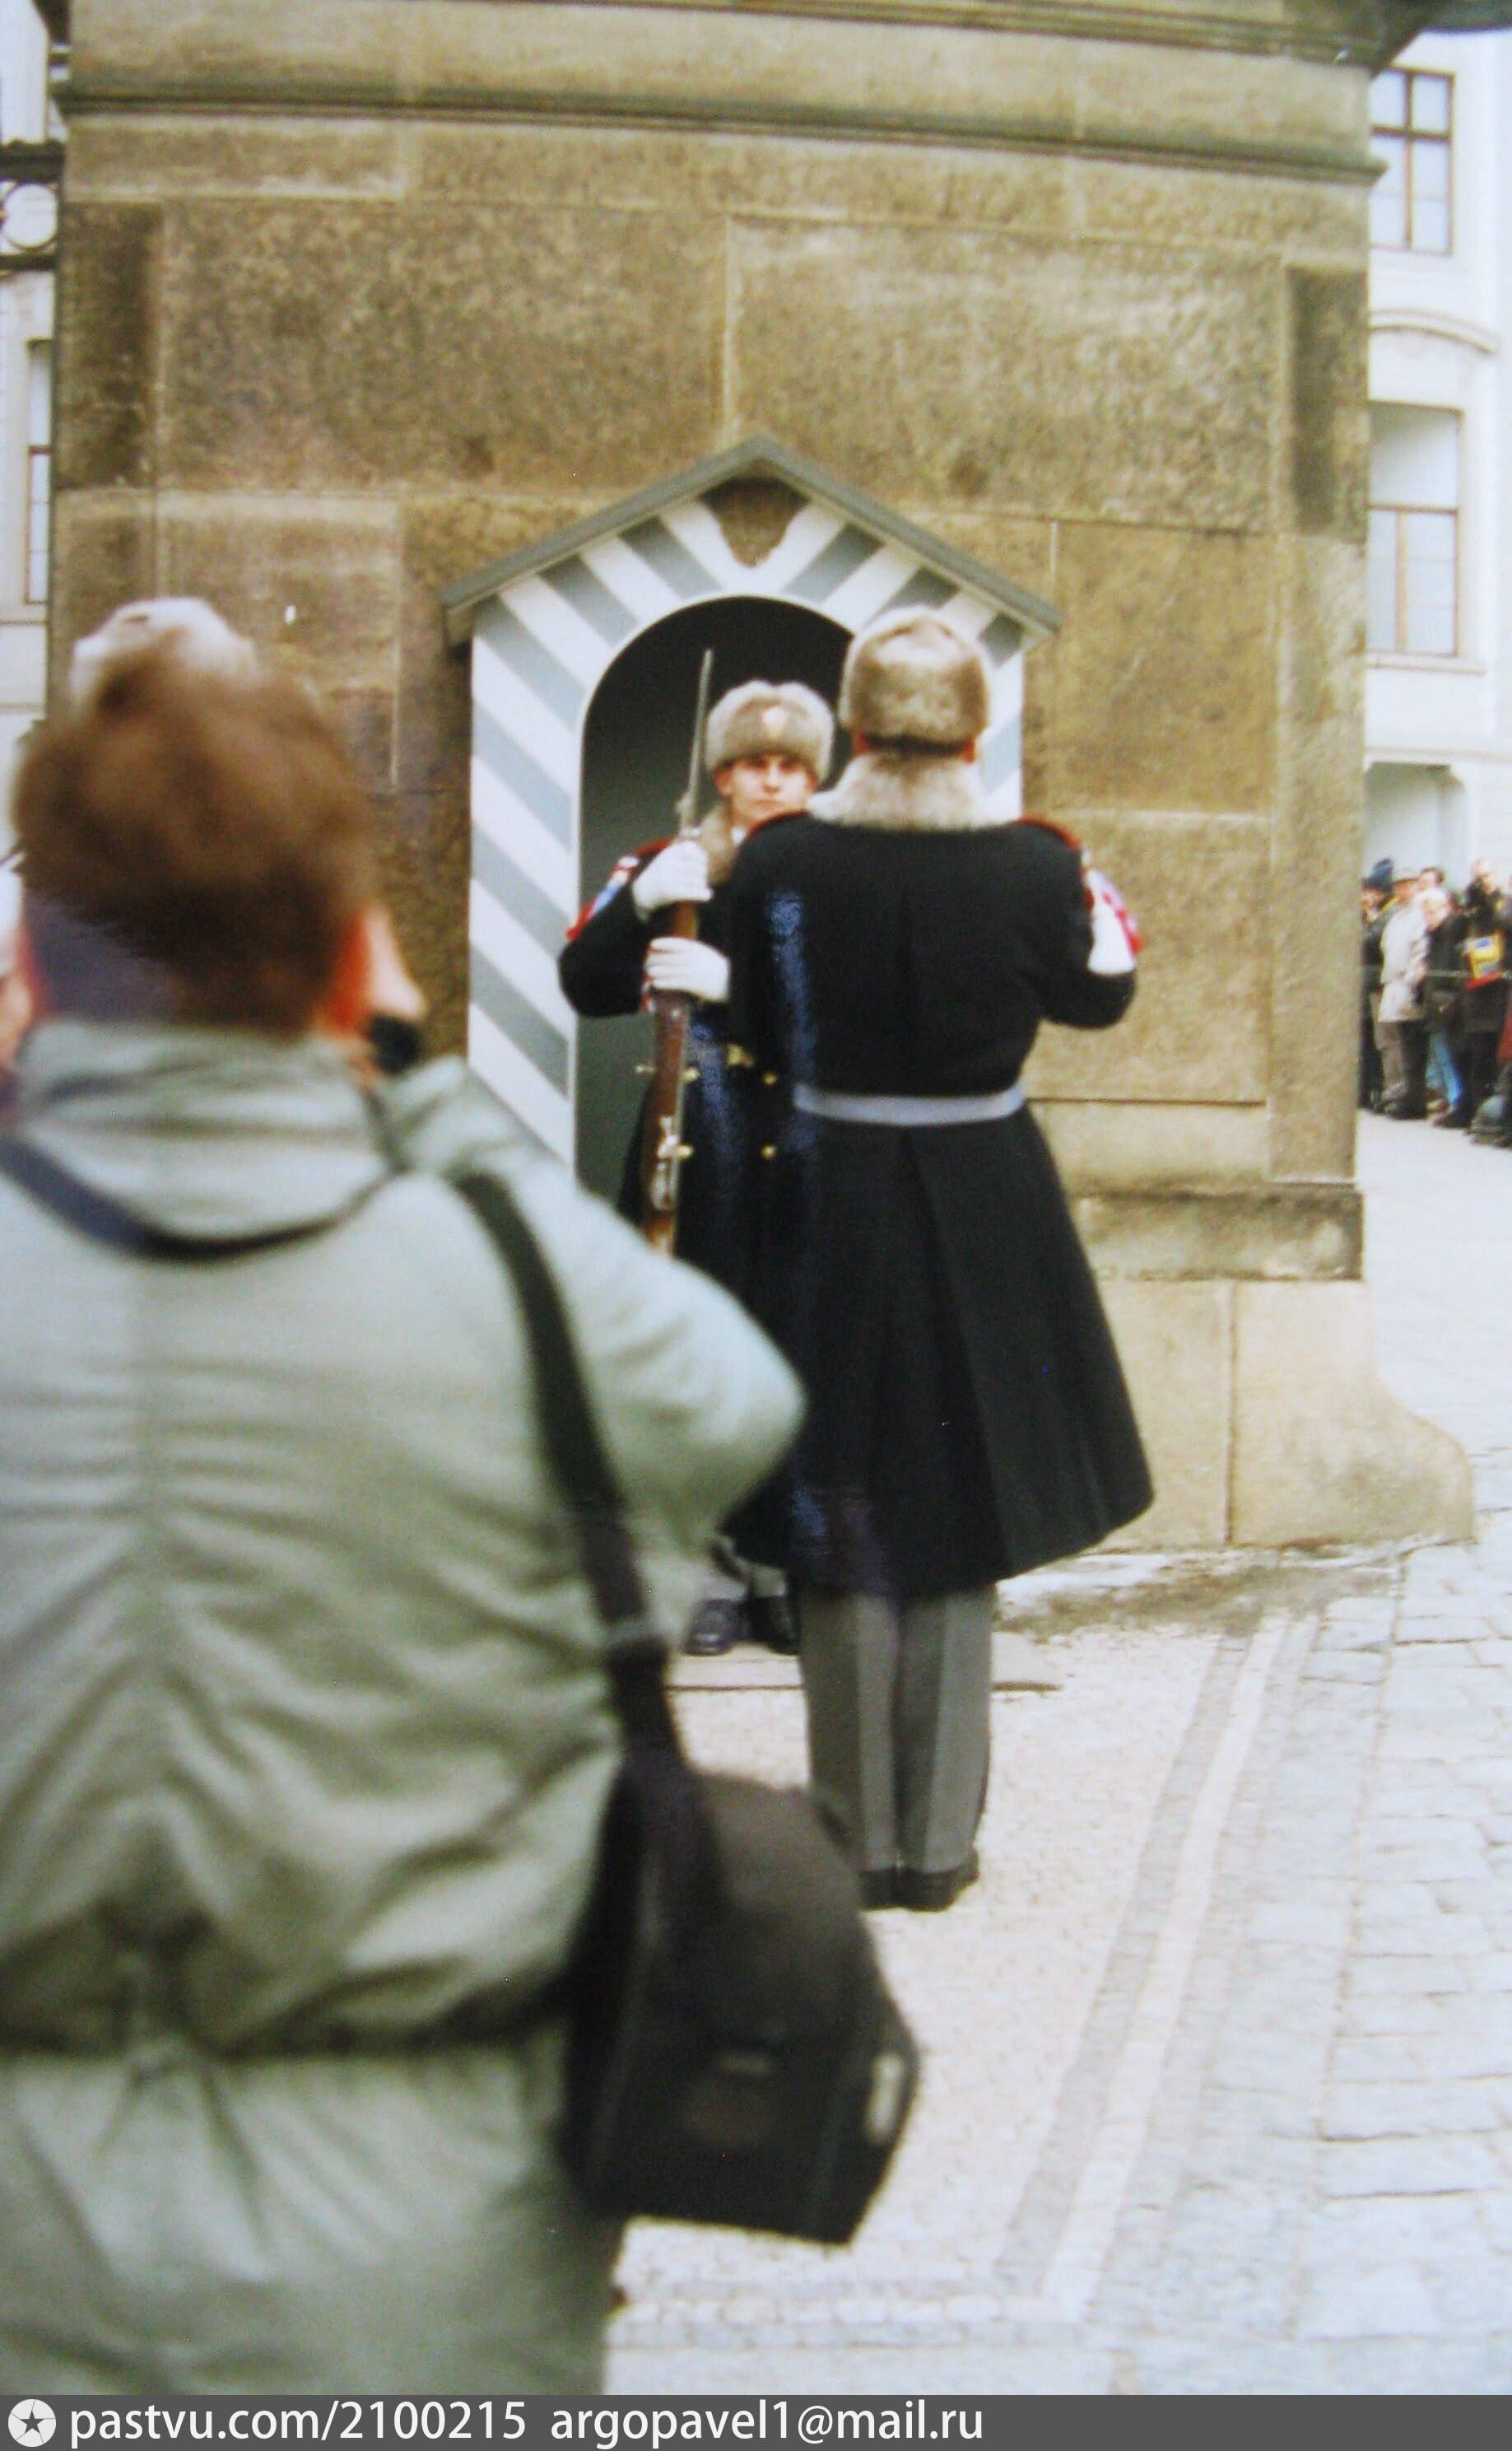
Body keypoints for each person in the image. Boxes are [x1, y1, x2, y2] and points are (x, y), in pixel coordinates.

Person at [0, 635, 801, 2392]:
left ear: (35, 958)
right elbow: (734, 1400)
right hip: (432, 2260)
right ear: (347, 951)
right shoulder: (503, 1281)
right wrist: (417, 1080)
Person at [725, 610, 1153, 1913]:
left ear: (853, 730)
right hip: (983, 1198)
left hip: (827, 1190)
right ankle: (933, 1846)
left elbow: (756, 1023)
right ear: (976, 737)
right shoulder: (1035, 865)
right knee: (959, 1507)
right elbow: (1099, 996)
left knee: (836, 1503)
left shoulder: (782, 859)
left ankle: (852, 1838)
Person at [560, 678, 833, 1654]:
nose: (772, 779)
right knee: (697, 1353)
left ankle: (779, 1567)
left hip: (801, 1136)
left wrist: (734, 988)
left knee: (792, 1348)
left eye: (790, 764)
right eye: (754, 762)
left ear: (814, 776)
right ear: (721, 773)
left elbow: (857, 1013)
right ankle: (703, 1568)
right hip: (698, 1132)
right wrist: (638, 903)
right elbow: (587, 982)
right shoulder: (665, 862)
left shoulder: (841, 873)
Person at [1376, 869, 1429, 1119]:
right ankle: (1406, 1095)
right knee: (1402, 1046)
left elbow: (1420, 952)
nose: (1403, 891)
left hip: (1409, 986)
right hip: (1395, 984)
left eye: (1407, 885)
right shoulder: (1397, 917)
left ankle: (1415, 1100)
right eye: (1399, 886)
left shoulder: (1419, 915)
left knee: (1414, 1050)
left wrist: (1411, 981)